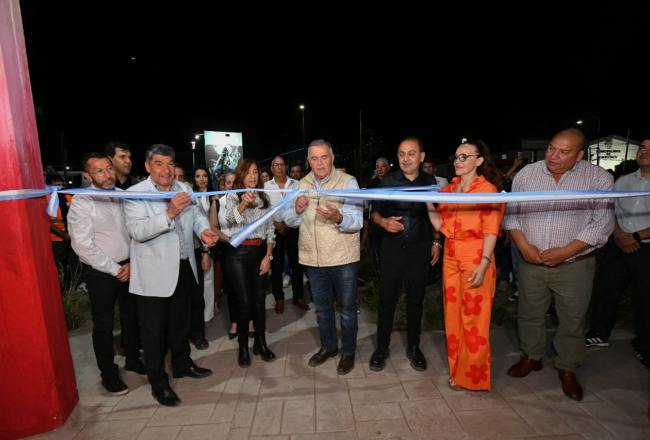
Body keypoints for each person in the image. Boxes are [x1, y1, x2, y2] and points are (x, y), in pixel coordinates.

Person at [504, 128, 614, 401]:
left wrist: (565, 252)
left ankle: (567, 367)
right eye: (551, 148)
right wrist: (525, 247)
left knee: (572, 318)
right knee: (529, 312)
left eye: (564, 152)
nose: (554, 156)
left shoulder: (598, 179)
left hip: (575, 264)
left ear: (580, 154)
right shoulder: (527, 175)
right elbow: (512, 216)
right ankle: (532, 356)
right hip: (531, 261)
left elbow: (602, 224)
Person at [123, 144, 218, 407]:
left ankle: (182, 364)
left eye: (169, 164)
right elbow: (137, 231)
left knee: (180, 324)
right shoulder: (135, 194)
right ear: (147, 166)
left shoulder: (184, 189)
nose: (165, 170)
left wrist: (203, 232)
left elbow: (197, 216)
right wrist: (169, 213)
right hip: (153, 275)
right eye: (158, 164)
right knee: (154, 334)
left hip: (184, 267)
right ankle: (158, 383)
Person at [284, 139, 364, 374]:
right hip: (313, 259)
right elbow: (289, 220)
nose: (319, 163)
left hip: (343, 259)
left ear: (332, 158)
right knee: (321, 310)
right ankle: (329, 347)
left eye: (324, 157)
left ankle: (348, 352)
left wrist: (339, 218)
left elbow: (358, 221)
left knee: (347, 310)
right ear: (308, 160)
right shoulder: (301, 184)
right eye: (314, 158)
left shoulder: (348, 182)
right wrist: (297, 210)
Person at [429, 140, 504, 391]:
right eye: (456, 157)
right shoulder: (449, 191)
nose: (457, 161)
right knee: (453, 318)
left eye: (464, 157)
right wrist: (429, 205)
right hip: (451, 255)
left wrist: (484, 263)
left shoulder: (488, 190)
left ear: (479, 160)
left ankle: (473, 378)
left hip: (476, 255)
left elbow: (492, 230)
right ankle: (457, 371)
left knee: (475, 320)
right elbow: (441, 226)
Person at [67, 153, 144, 396]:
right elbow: (82, 246)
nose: (107, 174)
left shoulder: (123, 196)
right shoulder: (82, 202)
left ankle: (132, 360)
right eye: (99, 171)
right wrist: (114, 268)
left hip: (129, 266)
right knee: (104, 325)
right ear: (88, 175)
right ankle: (109, 374)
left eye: (109, 168)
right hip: (101, 273)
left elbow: (134, 231)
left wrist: (132, 261)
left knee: (132, 318)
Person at [369, 138, 438, 372]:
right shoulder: (387, 181)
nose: (406, 158)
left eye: (411, 153)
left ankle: (414, 347)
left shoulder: (431, 182)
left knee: (415, 301)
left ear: (421, 156)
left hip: (420, 249)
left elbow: (437, 215)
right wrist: (384, 222)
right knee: (387, 300)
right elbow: (373, 215)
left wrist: (437, 241)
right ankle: (381, 347)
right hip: (392, 249)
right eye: (401, 154)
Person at [586, 138, 650, 366]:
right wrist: (619, 234)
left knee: (644, 298)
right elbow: (609, 209)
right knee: (606, 290)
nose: (645, 152)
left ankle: (644, 345)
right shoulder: (622, 181)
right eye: (643, 147)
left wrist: (634, 237)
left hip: (645, 247)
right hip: (619, 242)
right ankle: (599, 333)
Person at [222, 159, 276, 367]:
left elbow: (270, 230)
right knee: (244, 301)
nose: (253, 176)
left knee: (260, 300)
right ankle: (243, 347)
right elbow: (229, 221)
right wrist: (243, 203)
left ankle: (261, 343)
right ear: (241, 175)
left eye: (256, 172)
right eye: (249, 172)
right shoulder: (232, 196)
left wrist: (268, 256)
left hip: (259, 252)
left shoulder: (264, 198)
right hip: (236, 254)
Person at [264, 155, 308, 313]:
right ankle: (279, 298)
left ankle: (298, 297)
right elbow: (265, 210)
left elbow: (302, 206)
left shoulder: (297, 184)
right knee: (276, 266)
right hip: (275, 231)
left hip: (293, 229)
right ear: (271, 168)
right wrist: (277, 225)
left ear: (286, 167)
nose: (280, 168)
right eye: (276, 165)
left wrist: (289, 225)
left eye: (282, 165)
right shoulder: (266, 186)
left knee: (297, 264)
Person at [188, 166, 214, 350]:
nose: (202, 179)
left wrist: (207, 250)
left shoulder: (215, 195)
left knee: (208, 283)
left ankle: (206, 318)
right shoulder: (191, 196)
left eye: (205, 176)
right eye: (198, 176)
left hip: (210, 243)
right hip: (194, 246)